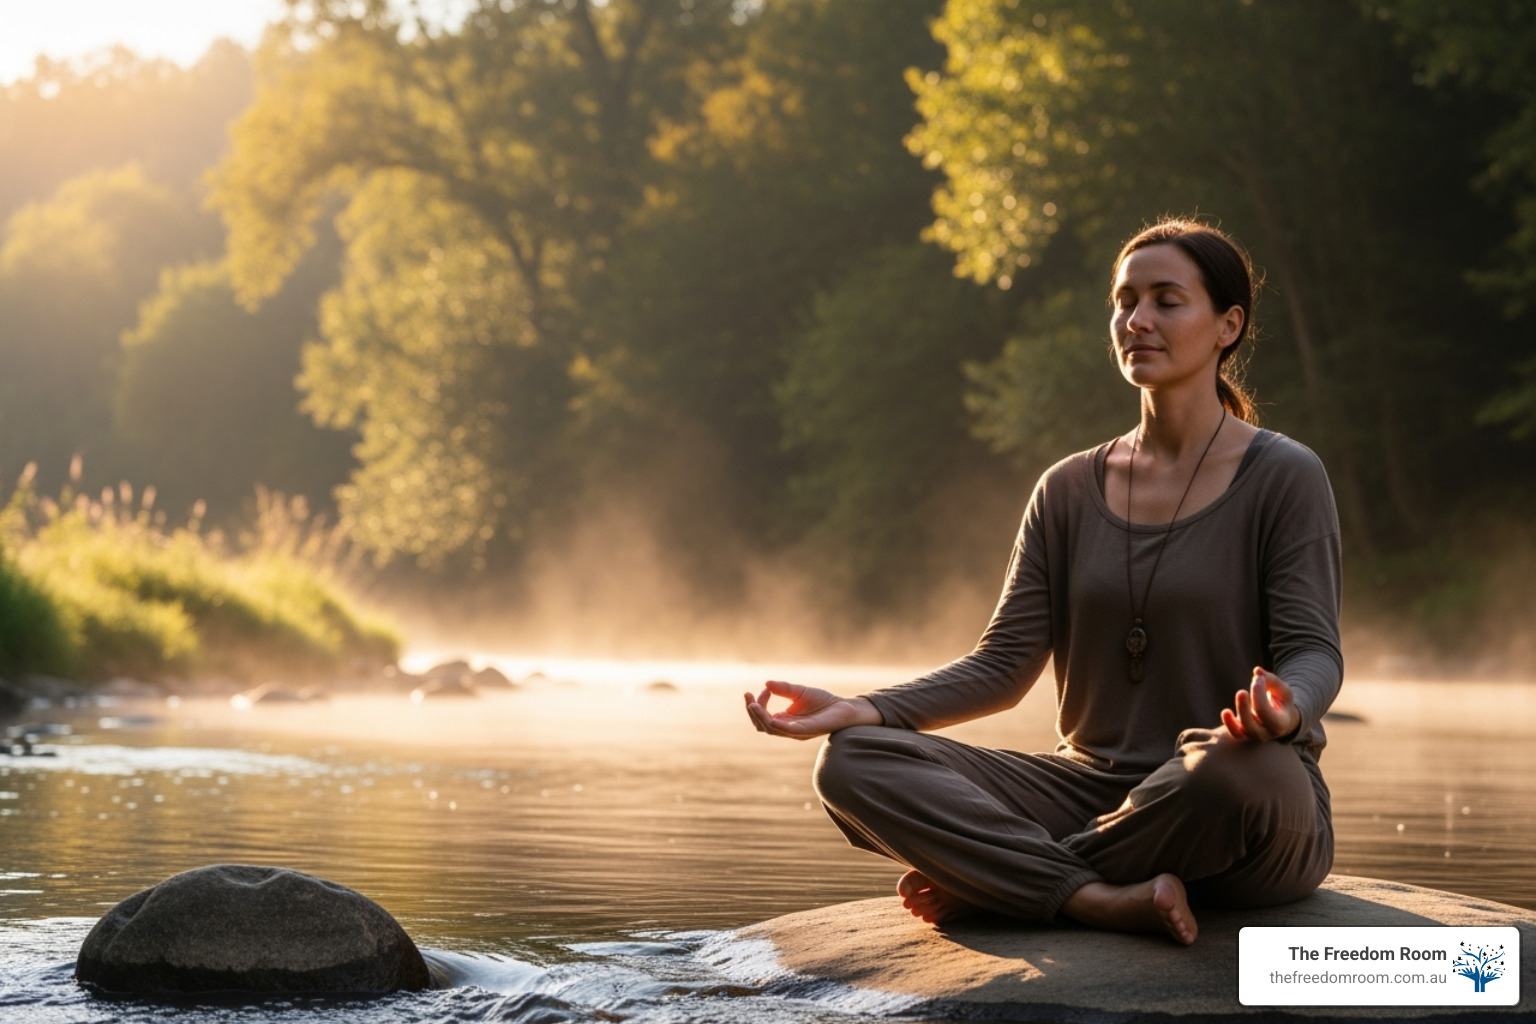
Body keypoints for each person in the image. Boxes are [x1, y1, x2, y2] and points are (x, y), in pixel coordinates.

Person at [744, 218, 1341, 946]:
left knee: (1226, 774)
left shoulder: (1284, 475)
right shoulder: (1066, 488)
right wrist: (862, 708)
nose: (1137, 321)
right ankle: (1093, 898)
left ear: (1228, 325)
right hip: (1088, 789)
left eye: (1166, 300)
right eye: (1125, 302)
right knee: (851, 764)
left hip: (1232, 788)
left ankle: (1016, 882)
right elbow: (1001, 667)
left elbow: (1315, 651)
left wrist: (1287, 711)